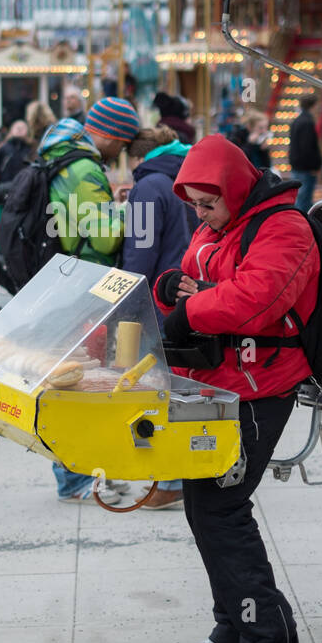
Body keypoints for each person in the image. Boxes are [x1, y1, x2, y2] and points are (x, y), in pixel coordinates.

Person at [154, 135, 317, 643]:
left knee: (223, 509)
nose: (200, 214)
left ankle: (271, 642)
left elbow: (256, 299)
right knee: (203, 510)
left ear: (235, 188)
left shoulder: (283, 228)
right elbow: (192, 280)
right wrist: (169, 290)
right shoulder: (219, 225)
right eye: (194, 205)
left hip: (259, 388)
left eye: (208, 203)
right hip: (214, 383)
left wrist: (190, 308)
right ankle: (235, 622)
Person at [38, 97, 140, 505]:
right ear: (112, 135)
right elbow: (103, 237)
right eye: (124, 142)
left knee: (73, 376)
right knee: (79, 381)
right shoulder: (84, 169)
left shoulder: (64, 155)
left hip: (68, 278)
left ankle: (75, 475)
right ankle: (73, 478)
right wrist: (128, 214)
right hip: (87, 285)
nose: (123, 151)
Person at [121, 125, 196, 511]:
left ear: (138, 158)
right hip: (188, 294)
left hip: (157, 300)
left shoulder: (149, 186)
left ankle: (168, 481)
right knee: (183, 387)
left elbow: (140, 250)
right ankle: (187, 472)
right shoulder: (185, 177)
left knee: (157, 389)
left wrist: (125, 299)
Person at [289, 94, 322, 212]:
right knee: (304, 201)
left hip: (297, 165)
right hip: (305, 168)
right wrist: (315, 165)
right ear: (313, 106)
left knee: (300, 198)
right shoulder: (307, 122)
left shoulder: (297, 120)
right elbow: (307, 148)